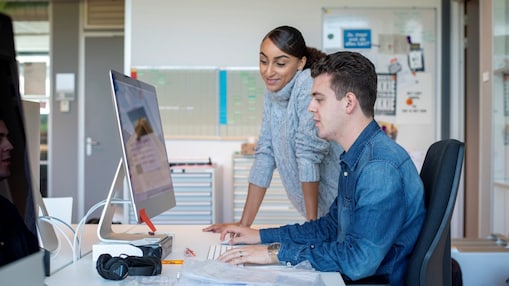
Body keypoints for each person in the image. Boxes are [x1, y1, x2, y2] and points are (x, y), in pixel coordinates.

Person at [215, 51, 426, 286]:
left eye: (319, 99)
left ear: (348, 102)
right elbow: (328, 228)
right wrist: (260, 237)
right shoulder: (357, 158)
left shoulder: (379, 168)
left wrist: (273, 253)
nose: (310, 108)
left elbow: (358, 261)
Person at [204, 26, 342, 232]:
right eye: (263, 61)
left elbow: (309, 154)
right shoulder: (273, 94)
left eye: (280, 63)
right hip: (321, 218)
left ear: (300, 63)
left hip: (338, 210)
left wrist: (312, 229)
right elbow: (265, 153)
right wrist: (243, 225)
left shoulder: (307, 83)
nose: (268, 71)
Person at [0, 115, 40, 267]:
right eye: (0, 139)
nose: (9, 146)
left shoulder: (6, 210)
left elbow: (34, 257)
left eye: (7, 137)